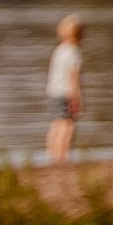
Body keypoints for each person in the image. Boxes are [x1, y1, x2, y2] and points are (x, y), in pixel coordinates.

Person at [45, 14, 83, 165]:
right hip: (65, 93)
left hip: (53, 92)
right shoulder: (74, 52)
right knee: (67, 126)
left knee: (55, 125)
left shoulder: (59, 50)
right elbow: (72, 78)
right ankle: (63, 157)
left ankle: (52, 156)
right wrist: (76, 98)